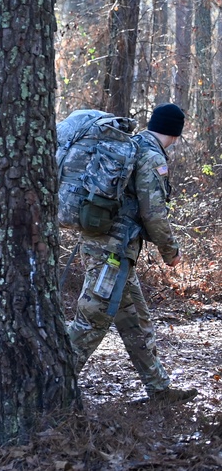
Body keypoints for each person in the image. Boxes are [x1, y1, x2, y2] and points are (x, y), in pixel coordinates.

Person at [67, 103, 198, 404]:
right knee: (93, 319)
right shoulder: (151, 156)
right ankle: (50, 388)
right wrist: (171, 252)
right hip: (111, 252)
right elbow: (153, 213)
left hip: (112, 249)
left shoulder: (132, 145)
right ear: (175, 133)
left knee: (136, 320)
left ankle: (159, 389)